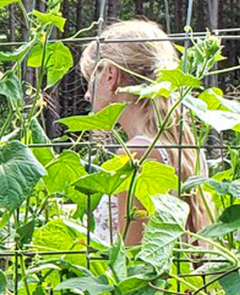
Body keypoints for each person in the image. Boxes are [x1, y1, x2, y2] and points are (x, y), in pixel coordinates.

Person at [78, 19, 216, 241]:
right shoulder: (186, 144)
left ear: (110, 76)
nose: (87, 94)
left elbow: (134, 262)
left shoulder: (136, 153)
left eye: (90, 79)